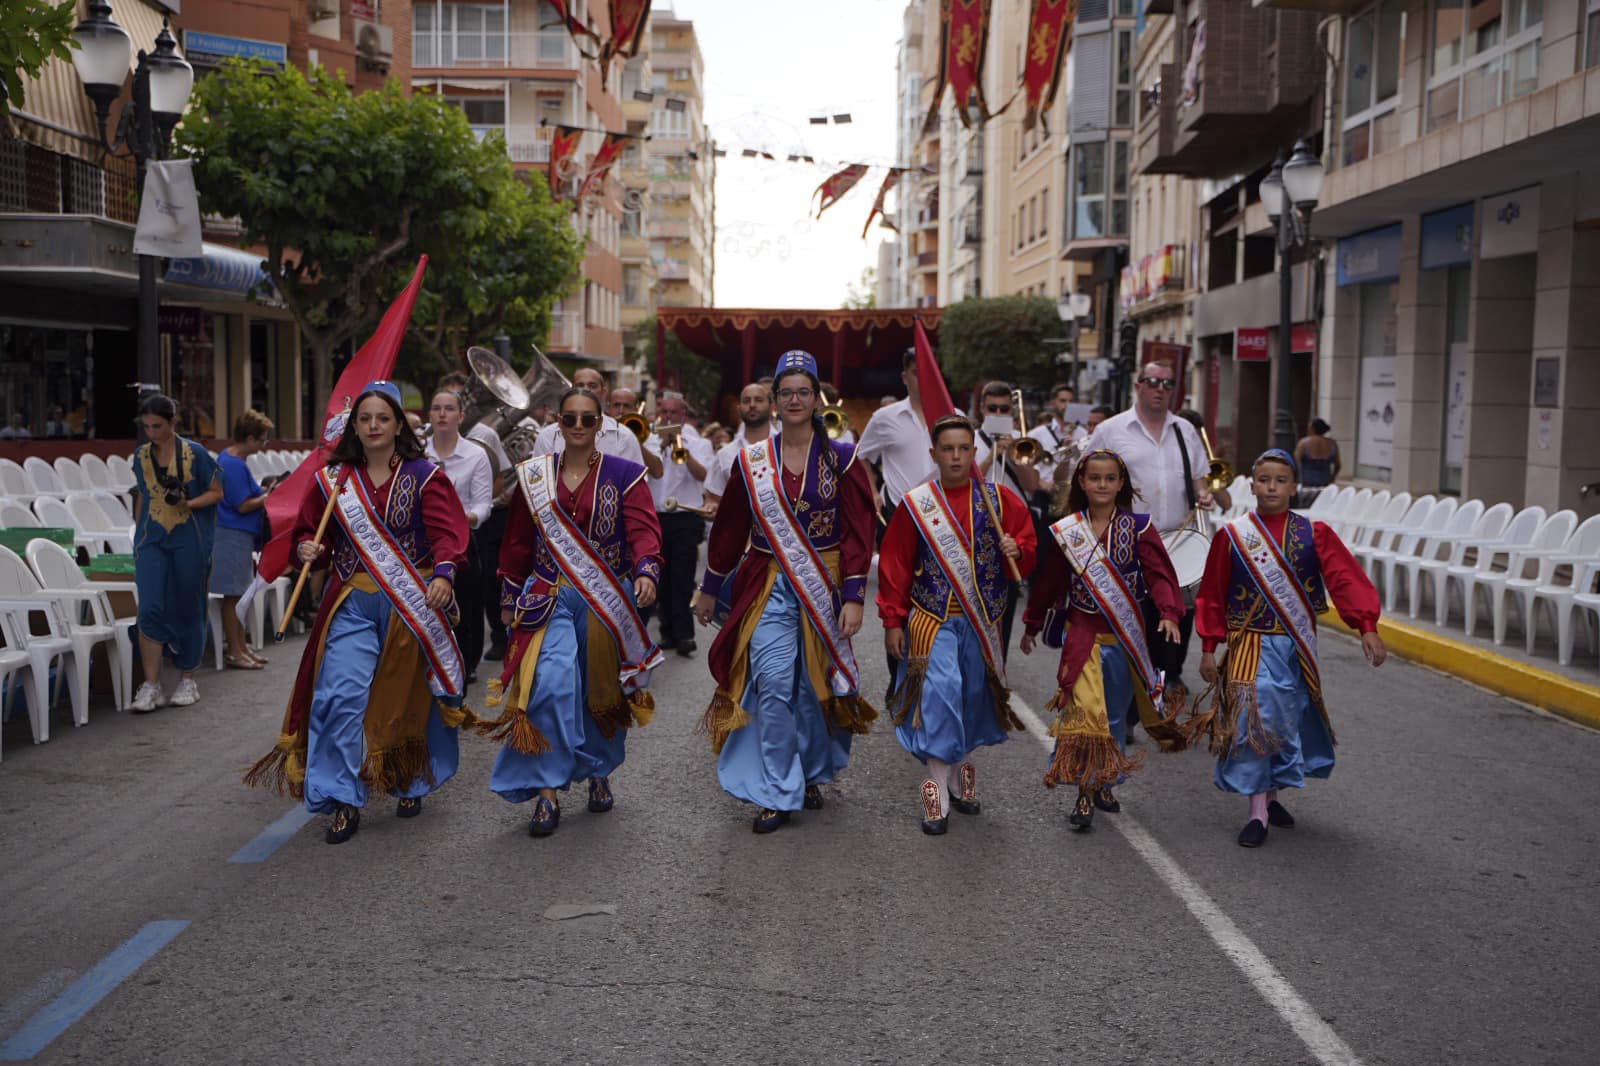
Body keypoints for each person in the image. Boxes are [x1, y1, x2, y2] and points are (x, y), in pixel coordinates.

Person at [244, 381, 472, 845]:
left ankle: (409, 776)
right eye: (364, 419)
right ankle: (341, 796)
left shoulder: (424, 475)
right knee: (338, 695)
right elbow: (315, 533)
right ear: (354, 425)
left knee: (403, 701)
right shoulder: (333, 481)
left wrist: (444, 574)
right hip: (352, 600)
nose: (372, 426)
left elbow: (449, 532)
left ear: (397, 425)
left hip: (410, 603)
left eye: (382, 418)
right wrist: (311, 545)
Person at [692, 349, 877, 834]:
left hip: (826, 584)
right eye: (786, 393)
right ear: (774, 401)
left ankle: (811, 771)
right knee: (773, 685)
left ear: (818, 399)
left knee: (814, 687)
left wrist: (855, 595)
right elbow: (730, 528)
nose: (795, 400)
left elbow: (860, 531)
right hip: (768, 583)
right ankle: (778, 788)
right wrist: (710, 588)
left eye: (804, 392)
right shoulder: (751, 461)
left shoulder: (843, 458)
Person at [481, 386, 662, 837]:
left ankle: (597, 770)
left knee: (600, 692)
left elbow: (643, 530)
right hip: (548, 595)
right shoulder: (536, 477)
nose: (578, 426)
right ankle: (548, 792)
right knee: (550, 684)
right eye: (569, 419)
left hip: (604, 597)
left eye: (587, 419)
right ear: (557, 425)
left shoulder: (625, 474)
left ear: (601, 425)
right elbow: (518, 541)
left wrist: (645, 570)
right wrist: (507, 600)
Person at [1190, 449, 1385, 848]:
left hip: (1295, 644)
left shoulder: (1314, 534)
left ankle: (1271, 792)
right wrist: (1209, 646)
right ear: (1252, 484)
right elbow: (1211, 594)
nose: (1271, 487)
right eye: (1264, 480)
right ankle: (1257, 811)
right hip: (1250, 643)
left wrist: (1366, 625)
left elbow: (1344, 579)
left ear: (1294, 487)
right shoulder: (1232, 535)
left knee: (1283, 718)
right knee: (1254, 715)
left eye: (1280, 480)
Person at [877, 415, 1035, 835]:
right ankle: (935, 790)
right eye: (947, 449)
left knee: (969, 698)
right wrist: (893, 620)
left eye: (964, 448)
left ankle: (959, 773)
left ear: (975, 453)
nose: (956, 457)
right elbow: (895, 565)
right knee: (940, 693)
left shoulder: (1002, 502)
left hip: (984, 621)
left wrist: (1015, 548)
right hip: (932, 619)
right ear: (934, 454)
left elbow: (1028, 553)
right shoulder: (916, 504)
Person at [1021, 450, 1185, 831]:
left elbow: (1160, 575)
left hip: (1124, 640)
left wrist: (1169, 613)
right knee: (1084, 718)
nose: (1102, 485)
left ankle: (1104, 781)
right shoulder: (1068, 530)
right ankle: (1084, 793)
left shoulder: (1139, 528)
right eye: (1094, 478)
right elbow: (1050, 582)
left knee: (1111, 719)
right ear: (1081, 482)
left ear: (1120, 483)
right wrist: (1031, 622)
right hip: (1082, 636)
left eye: (1110, 478)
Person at [1087, 362, 1213, 713]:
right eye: (1153, 382)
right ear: (1138, 385)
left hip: (1175, 543)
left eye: (1167, 383)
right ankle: (1125, 710)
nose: (1160, 388)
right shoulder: (1111, 431)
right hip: (1126, 542)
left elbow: (1199, 478)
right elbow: (1086, 476)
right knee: (1131, 624)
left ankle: (1156, 694)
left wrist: (1203, 495)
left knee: (1169, 623)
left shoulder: (1185, 430)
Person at [129, 394, 222, 712]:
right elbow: (142, 494)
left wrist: (188, 503)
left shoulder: (195, 453)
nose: (152, 433)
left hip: (189, 536)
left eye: (157, 426)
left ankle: (187, 678)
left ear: (172, 423)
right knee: (149, 606)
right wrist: (138, 534)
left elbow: (216, 492)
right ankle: (151, 684)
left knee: (189, 604)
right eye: (147, 427)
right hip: (151, 538)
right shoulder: (140, 457)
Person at [436, 370, 516, 662]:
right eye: (439, 407)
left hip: (474, 526)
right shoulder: (422, 446)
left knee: (476, 592)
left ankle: (476, 652)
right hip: (434, 532)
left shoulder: (485, 435)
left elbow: (501, 475)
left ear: (462, 409)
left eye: (453, 404)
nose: (444, 413)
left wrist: (476, 511)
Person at [426, 387, 494, 687]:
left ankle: (464, 669)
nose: (442, 414)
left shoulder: (476, 454)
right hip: (425, 543)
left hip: (462, 540)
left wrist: (463, 516)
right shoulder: (417, 453)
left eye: (449, 409)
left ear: (460, 416)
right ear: (429, 415)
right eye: (437, 408)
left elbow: (483, 504)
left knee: (466, 608)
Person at [645, 390, 714, 657]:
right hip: (657, 516)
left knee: (683, 578)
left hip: (685, 517)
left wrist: (681, 451)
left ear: (683, 416)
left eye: (674, 413)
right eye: (665, 412)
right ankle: (667, 633)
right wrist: (660, 449)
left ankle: (685, 635)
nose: (669, 417)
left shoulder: (699, 444)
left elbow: (705, 476)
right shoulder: (648, 441)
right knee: (661, 579)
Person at [212, 408, 274, 670]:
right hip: (231, 534)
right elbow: (243, 505)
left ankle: (242, 647)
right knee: (234, 596)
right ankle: (235, 651)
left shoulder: (231, 459)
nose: (263, 446)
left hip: (236, 534)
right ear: (249, 438)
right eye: (262, 440)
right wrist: (269, 496)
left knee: (239, 594)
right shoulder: (234, 464)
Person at [854, 348, 937, 521]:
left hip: (945, 514)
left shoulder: (955, 416)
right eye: (916, 373)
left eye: (928, 373)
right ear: (905, 378)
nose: (922, 379)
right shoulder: (883, 418)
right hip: (898, 512)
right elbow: (860, 455)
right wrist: (873, 491)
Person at [531, 367, 645, 465]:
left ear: (604, 393)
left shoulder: (624, 437)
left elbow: (634, 485)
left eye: (592, 385)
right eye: (580, 385)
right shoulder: (547, 436)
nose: (585, 389)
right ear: (571, 390)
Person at [704, 382, 775, 511]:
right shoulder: (724, 454)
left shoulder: (786, 446)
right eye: (746, 401)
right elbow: (713, 498)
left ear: (771, 407)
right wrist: (712, 506)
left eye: (759, 400)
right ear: (739, 409)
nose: (752, 405)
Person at [1176, 408, 1232, 513]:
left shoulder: (1202, 464)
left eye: (1195, 438)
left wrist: (1210, 475)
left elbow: (1227, 504)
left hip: (1197, 526)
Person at [1294, 418, 1341, 505]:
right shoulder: (1332, 444)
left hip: (1307, 485)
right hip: (1325, 484)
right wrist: (1332, 478)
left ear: (1312, 428)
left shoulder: (1303, 443)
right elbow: (1337, 465)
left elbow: (1296, 463)